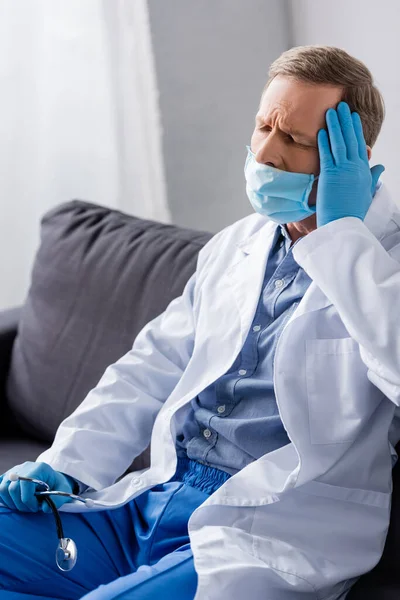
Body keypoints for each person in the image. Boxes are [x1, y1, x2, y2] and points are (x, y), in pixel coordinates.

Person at [0, 45, 398, 600]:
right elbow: (152, 364)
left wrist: (342, 240)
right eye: (264, 127)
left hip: (263, 530)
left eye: (295, 140)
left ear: (350, 159)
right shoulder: (237, 244)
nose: (266, 153)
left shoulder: (387, 258)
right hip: (156, 499)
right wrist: (67, 464)